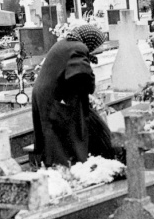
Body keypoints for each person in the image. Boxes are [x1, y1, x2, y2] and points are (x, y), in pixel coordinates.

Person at [31, 24, 114, 167]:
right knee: (65, 137)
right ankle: (71, 166)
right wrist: (91, 88)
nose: (95, 48)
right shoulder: (78, 48)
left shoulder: (66, 44)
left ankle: (62, 165)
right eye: (96, 44)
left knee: (53, 135)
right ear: (90, 40)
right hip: (55, 99)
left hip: (47, 95)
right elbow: (82, 78)